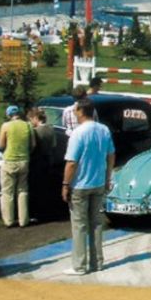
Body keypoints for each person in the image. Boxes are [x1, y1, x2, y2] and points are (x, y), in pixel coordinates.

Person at [62, 99, 115, 275]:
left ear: (80, 112)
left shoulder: (78, 133)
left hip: (80, 184)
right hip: (98, 182)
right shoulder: (104, 130)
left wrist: (65, 184)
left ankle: (79, 265)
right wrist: (108, 177)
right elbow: (111, 155)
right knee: (96, 224)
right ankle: (97, 261)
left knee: (79, 226)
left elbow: (71, 163)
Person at [0, 105, 34, 228]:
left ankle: (9, 220)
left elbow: (1, 145)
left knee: (7, 191)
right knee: (22, 190)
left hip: (9, 160)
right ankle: (23, 220)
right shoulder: (27, 125)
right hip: (24, 160)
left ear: (8, 115)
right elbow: (33, 144)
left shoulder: (6, 126)